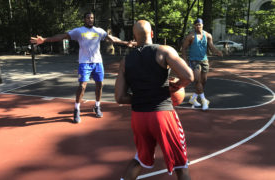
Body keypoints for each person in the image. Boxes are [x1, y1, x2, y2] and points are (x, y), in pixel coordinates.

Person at [115, 20, 193, 180]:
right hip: (162, 115)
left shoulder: (126, 61)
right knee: (181, 165)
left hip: (139, 117)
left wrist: (143, 97)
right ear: (152, 33)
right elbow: (188, 76)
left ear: (135, 37)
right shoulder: (163, 51)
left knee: (140, 158)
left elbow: (120, 97)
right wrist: (177, 86)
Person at [30, 12, 132, 123]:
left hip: (98, 63)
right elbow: (62, 36)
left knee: (100, 85)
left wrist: (126, 43)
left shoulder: (99, 31)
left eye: (92, 18)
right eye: (88, 18)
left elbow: (112, 39)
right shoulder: (79, 31)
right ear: (84, 19)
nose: (90, 19)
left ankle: (97, 106)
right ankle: (77, 109)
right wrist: (45, 39)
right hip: (85, 63)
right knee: (82, 86)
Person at [182, 18, 223, 111]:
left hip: (204, 60)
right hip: (194, 60)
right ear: (194, 26)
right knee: (197, 80)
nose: (198, 26)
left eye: (199, 25)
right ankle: (204, 101)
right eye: (196, 25)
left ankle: (193, 98)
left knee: (203, 81)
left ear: (202, 25)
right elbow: (183, 49)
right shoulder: (191, 36)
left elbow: (211, 47)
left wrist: (217, 51)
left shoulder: (208, 35)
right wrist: (185, 61)